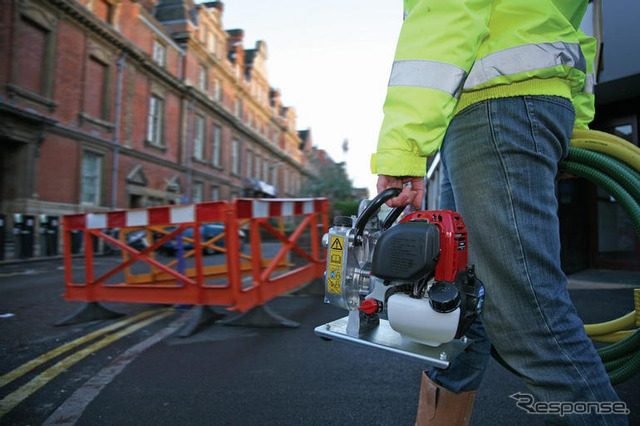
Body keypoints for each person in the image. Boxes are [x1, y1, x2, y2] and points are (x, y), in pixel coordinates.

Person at [371, 1, 628, 425]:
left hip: (496, 104)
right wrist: (573, 122)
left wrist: (405, 148)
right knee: (458, 305)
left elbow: (446, 12)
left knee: (526, 317)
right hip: (505, 107)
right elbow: (572, 27)